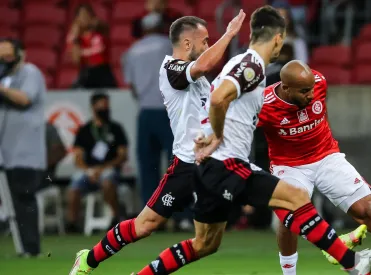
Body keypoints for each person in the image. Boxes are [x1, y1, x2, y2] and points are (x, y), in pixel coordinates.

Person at [133, 6, 371, 275]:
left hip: (209, 166)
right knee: (295, 197)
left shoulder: (248, 64)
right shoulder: (252, 65)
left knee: (205, 244)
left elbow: (215, 98)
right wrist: (217, 136)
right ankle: (352, 263)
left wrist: (207, 134)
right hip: (225, 163)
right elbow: (218, 98)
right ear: (278, 38)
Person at [68, 11, 246, 275]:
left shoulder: (201, 80)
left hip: (213, 164)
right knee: (146, 225)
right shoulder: (171, 68)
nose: (208, 45)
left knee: (208, 243)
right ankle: (88, 259)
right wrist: (229, 34)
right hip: (187, 166)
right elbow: (205, 64)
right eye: (205, 40)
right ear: (187, 44)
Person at [257, 60, 371, 275]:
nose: (310, 95)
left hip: (326, 156)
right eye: (303, 92)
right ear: (285, 87)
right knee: (289, 218)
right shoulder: (262, 103)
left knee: (370, 213)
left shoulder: (319, 82)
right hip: (289, 166)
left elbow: (321, 114)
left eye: (311, 90)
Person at [123, 12, 175, 207]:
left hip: (145, 112)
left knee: (147, 166)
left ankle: (150, 211)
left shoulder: (133, 50)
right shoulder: (167, 45)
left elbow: (132, 87)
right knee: (176, 165)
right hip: (168, 111)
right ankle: (181, 214)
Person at [0, 38, 46, 256]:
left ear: (20, 53)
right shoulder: (5, 78)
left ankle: (31, 248)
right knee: (14, 202)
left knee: (24, 199)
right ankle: (22, 247)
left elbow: (25, 99)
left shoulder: (30, 72)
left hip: (26, 152)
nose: (4, 60)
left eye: (8, 55)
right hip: (7, 152)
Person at [65, 92, 128, 232]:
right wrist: (89, 170)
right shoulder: (84, 130)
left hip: (109, 169)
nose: (105, 110)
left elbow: (122, 155)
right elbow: (78, 157)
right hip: (89, 171)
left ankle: (116, 217)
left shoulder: (115, 129)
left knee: (107, 181)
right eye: (102, 106)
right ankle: (72, 223)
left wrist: (103, 168)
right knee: (74, 187)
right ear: (93, 107)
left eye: (107, 106)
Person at [66, 4, 116, 89]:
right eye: (81, 16)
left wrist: (95, 25)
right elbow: (76, 60)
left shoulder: (99, 31)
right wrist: (75, 37)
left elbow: (106, 29)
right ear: (77, 19)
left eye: (87, 15)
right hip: (86, 73)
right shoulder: (74, 38)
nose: (85, 18)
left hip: (103, 72)